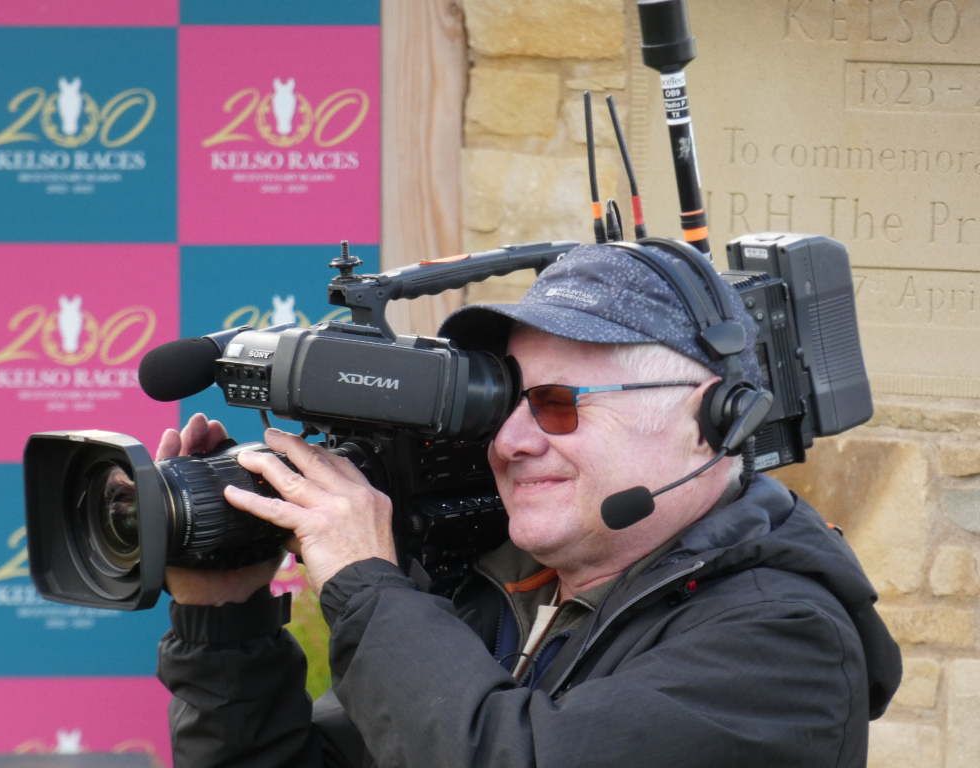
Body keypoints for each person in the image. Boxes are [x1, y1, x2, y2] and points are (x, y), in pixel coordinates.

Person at [156, 243, 902, 768]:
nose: (511, 439)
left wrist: (365, 584)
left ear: (708, 419)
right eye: (508, 402)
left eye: (556, 405)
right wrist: (225, 620)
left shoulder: (785, 643)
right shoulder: (499, 592)